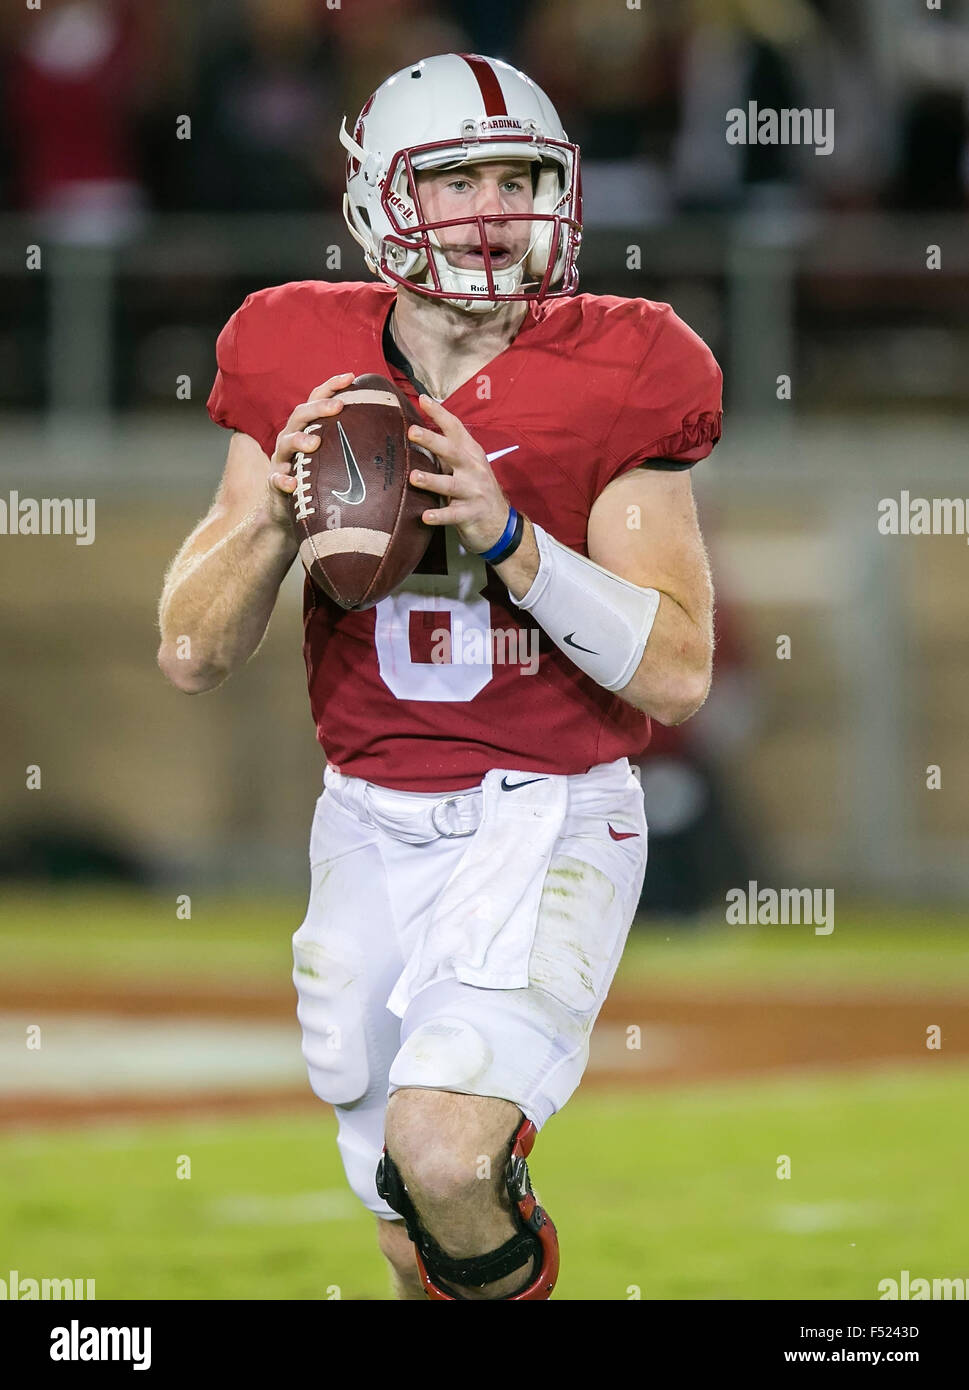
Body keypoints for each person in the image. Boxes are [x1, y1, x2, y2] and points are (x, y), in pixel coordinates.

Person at [157, 52, 723, 1301]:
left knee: (446, 1152)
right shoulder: (290, 344)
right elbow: (191, 652)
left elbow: (679, 674)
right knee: (409, 1214)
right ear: (378, 197)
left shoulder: (630, 360)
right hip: (366, 815)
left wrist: (513, 538)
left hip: (553, 809)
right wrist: (276, 515)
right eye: (457, 178)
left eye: (518, 177)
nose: (494, 209)